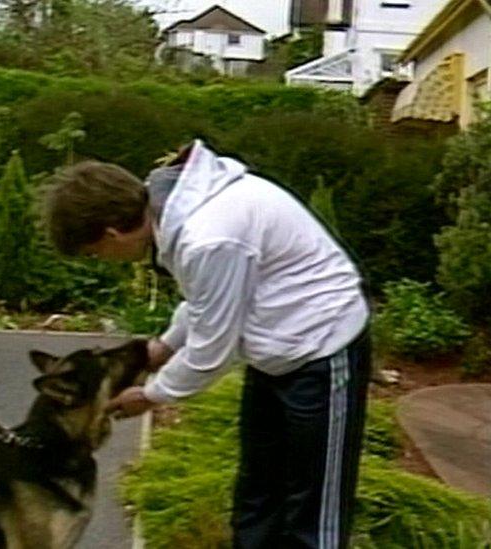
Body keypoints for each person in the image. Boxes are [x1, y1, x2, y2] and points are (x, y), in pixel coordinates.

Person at [43, 140, 371, 549]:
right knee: (259, 489)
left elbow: (212, 348)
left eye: (95, 254)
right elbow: (204, 302)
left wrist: (150, 394)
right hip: (276, 354)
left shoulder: (208, 235)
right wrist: (162, 346)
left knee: (313, 506)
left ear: (111, 233)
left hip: (323, 348)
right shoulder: (176, 214)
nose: (102, 261)